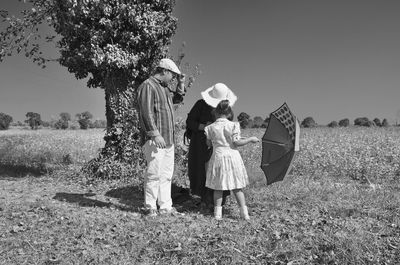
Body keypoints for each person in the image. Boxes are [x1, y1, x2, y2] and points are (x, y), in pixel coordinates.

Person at [137, 58, 186, 217]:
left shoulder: (164, 88)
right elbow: (145, 112)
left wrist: (181, 83)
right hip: (155, 139)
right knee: (154, 173)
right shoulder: (148, 86)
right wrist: (155, 134)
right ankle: (149, 206)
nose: (173, 78)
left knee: (166, 174)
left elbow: (177, 99)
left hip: (168, 139)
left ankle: (165, 206)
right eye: (172, 75)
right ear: (164, 71)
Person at [204, 99, 259, 220]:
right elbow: (236, 142)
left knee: (218, 187)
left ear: (216, 112)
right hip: (232, 157)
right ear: (229, 113)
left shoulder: (210, 127)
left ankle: (217, 214)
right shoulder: (233, 125)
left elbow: (208, 144)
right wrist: (250, 139)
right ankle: (244, 214)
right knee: (237, 186)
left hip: (218, 156)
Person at [186, 83, 236, 211]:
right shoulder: (200, 105)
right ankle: (204, 199)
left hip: (220, 145)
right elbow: (190, 122)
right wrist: (205, 126)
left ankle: (218, 202)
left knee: (220, 171)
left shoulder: (227, 108)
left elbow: (230, 125)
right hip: (200, 143)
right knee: (201, 170)